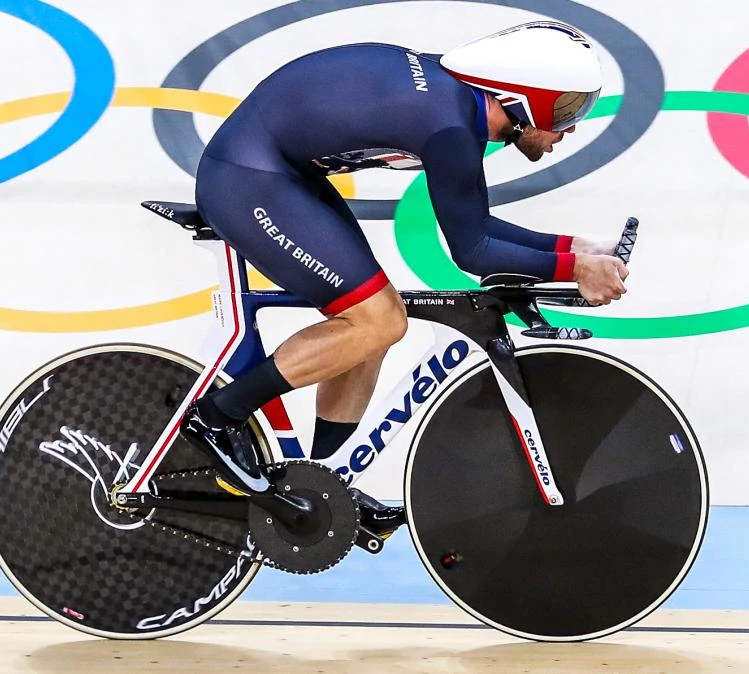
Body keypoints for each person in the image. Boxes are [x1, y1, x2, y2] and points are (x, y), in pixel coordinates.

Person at [180, 21, 628, 540]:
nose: (569, 130)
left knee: (368, 325)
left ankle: (326, 480)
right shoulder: (449, 125)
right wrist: (574, 269)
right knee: (378, 321)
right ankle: (215, 416)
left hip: (282, 173)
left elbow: (475, 224)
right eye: (566, 111)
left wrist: (573, 249)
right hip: (247, 177)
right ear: (518, 99)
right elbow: (473, 250)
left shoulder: (459, 101)